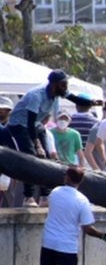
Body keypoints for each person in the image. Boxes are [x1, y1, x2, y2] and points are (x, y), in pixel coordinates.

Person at [7, 71, 71, 206]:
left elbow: (74, 99)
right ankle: (28, 196)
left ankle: (44, 195)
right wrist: (38, 145)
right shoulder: (36, 95)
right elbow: (29, 123)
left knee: (46, 158)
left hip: (36, 124)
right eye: (64, 84)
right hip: (19, 124)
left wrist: (93, 102)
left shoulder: (57, 95)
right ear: (54, 85)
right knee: (31, 156)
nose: (66, 87)